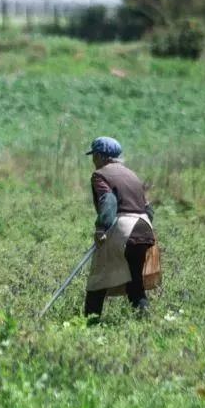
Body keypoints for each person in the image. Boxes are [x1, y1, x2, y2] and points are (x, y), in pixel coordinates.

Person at [83, 136, 156, 322]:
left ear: (100, 156)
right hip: (144, 227)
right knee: (135, 284)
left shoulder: (100, 174)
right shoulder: (132, 174)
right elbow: (148, 207)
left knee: (98, 280)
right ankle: (147, 324)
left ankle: (88, 324)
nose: (93, 161)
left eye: (94, 156)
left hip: (122, 226)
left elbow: (109, 201)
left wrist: (101, 229)